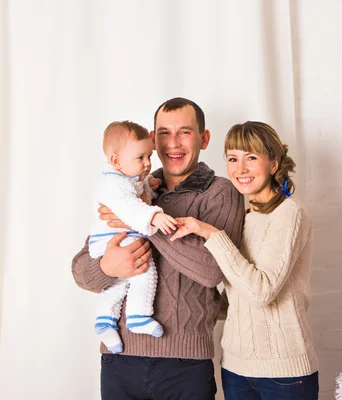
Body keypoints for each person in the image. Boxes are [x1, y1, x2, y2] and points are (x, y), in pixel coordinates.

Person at [72, 98, 245, 400]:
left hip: (184, 363)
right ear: (152, 139)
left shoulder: (219, 192)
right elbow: (81, 273)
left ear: (204, 139)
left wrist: (145, 221)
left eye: (185, 132)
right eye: (164, 133)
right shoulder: (129, 189)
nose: (173, 143)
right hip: (119, 356)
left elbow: (213, 270)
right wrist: (105, 267)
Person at [171, 121, 319, 400]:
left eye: (251, 157)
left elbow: (262, 291)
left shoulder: (290, 213)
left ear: (274, 163)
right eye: (232, 159)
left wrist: (209, 232)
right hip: (235, 369)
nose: (240, 169)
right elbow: (236, 296)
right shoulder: (241, 218)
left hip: (285, 373)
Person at [90, 120, 177, 354]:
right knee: (143, 269)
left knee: (118, 285)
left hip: (112, 240)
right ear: (116, 161)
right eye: (140, 158)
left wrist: (149, 184)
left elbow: (138, 191)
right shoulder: (113, 184)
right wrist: (154, 217)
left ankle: (105, 322)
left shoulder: (126, 177)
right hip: (115, 239)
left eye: (149, 156)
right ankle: (139, 315)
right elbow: (131, 207)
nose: (148, 163)